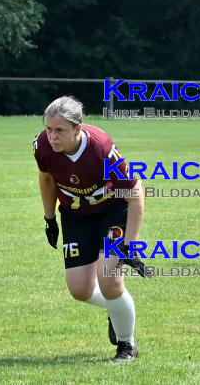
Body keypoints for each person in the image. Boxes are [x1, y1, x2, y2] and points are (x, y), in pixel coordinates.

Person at [33, 96, 147, 362]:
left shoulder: (102, 150)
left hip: (112, 211)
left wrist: (130, 245)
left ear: (77, 128)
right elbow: (47, 178)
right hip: (76, 215)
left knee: (109, 278)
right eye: (49, 129)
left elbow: (135, 195)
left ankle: (126, 345)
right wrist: (49, 219)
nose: (52, 136)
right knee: (80, 290)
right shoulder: (42, 147)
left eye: (59, 130)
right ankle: (116, 308)